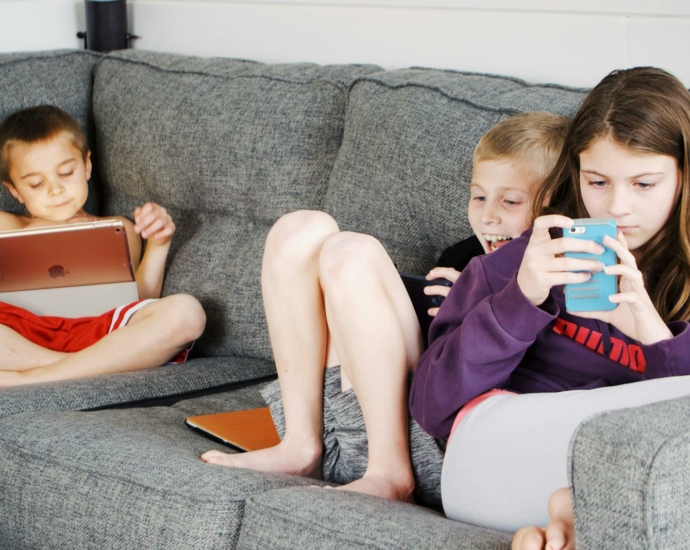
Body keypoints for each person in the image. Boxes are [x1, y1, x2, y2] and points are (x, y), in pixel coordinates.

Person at [201, 112, 570, 506]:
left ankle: (390, 474)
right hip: (342, 424)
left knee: (350, 253)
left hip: (428, 441)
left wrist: (472, 313)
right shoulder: (462, 257)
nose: (487, 215)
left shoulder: (557, 276)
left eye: (510, 201)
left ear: (552, 205)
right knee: (300, 228)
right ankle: (299, 446)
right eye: (478, 196)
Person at [407, 66, 690, 550]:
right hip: (490, 459)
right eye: (597, 182)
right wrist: (521, 300)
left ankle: (570, 518)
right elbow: (430, 405)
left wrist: (650, 329)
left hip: (635, 479)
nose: (616, 208)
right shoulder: (518, 261)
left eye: (644, 184)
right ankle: (576, 506)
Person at [0, 105, 206, 386]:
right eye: (36, 184)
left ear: (86, 166)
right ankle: (85, 365)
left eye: (66, 172)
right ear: (14, 190)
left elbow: (139, 297)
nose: (55, 190)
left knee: (187, 312)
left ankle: (34, 378)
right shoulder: (8, 226)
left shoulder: (118, 229)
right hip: (23, 335)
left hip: (103, 331)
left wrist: (159, 243)